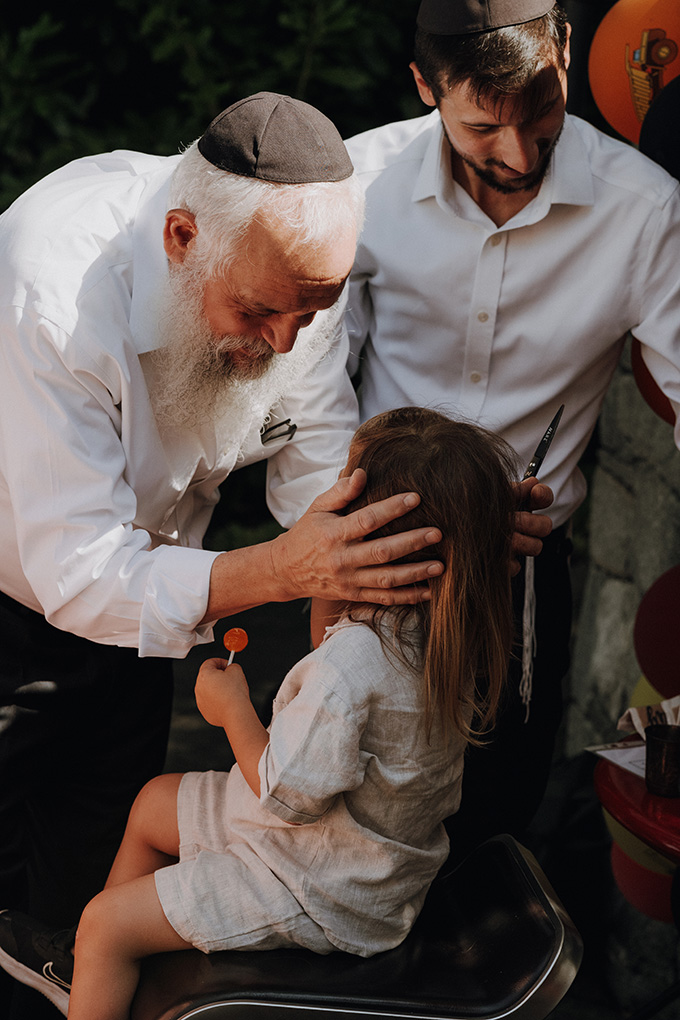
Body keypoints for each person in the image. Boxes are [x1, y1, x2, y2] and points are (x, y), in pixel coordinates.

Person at [0, 92, 448, 1019]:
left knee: (77, 904)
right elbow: (78, 568)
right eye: (259, 312)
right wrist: (283, 571)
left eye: (311, 313)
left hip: (147, 623)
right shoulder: (50, 289)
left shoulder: (290, 287)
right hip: (14, 605)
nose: (284, 342)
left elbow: (320, 472)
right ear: (180, 238)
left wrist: (433, 537)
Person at [0, 405, 518, 1019]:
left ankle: (101, 957)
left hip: (319, 888)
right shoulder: (450, 636)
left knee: (104, 921)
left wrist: (232, 711)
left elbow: (284, 795)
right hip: (361, 859)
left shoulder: (350, 668)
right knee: (154, 803)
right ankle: (100, 972)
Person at [338, 0, 680, 860]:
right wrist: (330, 541)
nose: (520, 155)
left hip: (524, 577)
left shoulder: (644, 210)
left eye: (543, 112)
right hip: (370, 556)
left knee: (495, 826)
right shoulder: (358, 185)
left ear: (566, 49)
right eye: (483, 127)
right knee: (339, 812)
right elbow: (309, 380)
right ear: (425, 86)